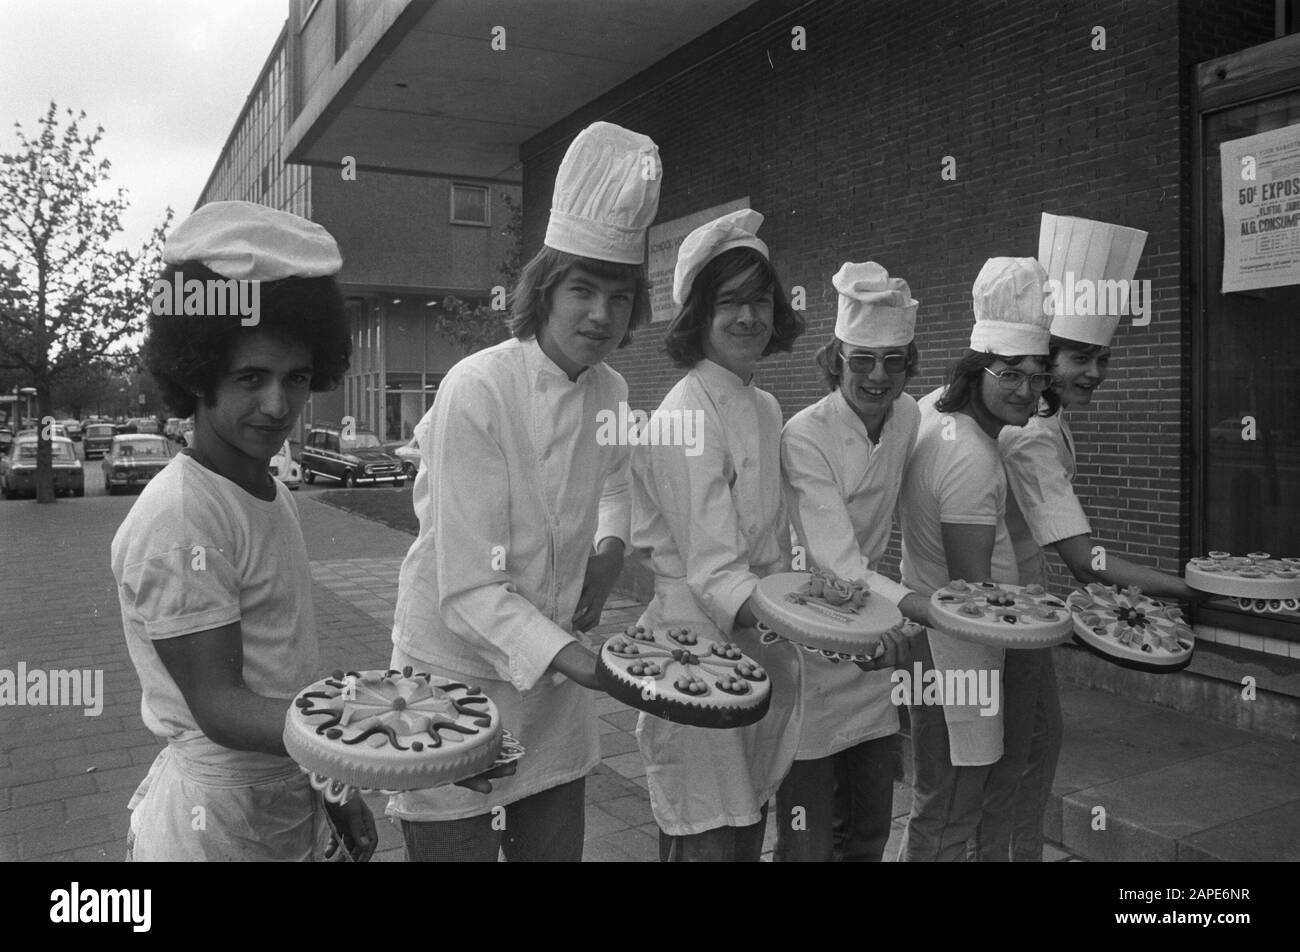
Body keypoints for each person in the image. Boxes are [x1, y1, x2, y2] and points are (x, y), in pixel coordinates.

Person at [386, 121, 661, 862]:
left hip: (551, 677)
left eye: (621, 294)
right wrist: (595, 668)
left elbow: (613, 486)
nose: (602, 314)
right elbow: (471, 589)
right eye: (583, 289)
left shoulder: (611, 388)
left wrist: (608, 549)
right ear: (544, 289)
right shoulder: (478, 388)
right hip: (453, 673)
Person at [112, 201, 374, 860]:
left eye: (297, 378)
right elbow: (221, 705)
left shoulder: (270, 491)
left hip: (287, 804)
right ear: (196, 374)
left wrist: (335, 783)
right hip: (215, 828)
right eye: (250, 377)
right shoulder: (182, 514)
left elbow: (284, 675)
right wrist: (366, 732)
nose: (278, 405)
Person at [981, 214, 1201, 862]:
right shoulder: (1031, 434)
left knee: (1030, 756)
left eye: (1103, 356)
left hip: (1021, 609)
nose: (1096, 372)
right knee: (1006, 768)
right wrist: (1189, 589)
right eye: (1081, 356)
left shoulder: (1044, 419)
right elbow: (1084, 559)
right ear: (1045, 357)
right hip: (996, 612)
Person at [631, 209, 806, 861]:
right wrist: (810, 624)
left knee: (746, 824)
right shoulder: (684, 413)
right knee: (708, 832)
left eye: (760, 300)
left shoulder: (762, 406)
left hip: (756, 648)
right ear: (697, 315)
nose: (748, 318)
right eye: (729, 302)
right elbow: (713, 571)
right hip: (695, 654)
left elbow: (773, 539)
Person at [897, 256, 1055, 862]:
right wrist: (1046, 615)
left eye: (1037, 376)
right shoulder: (972, 458)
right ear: (978, 366)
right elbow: (974, 595)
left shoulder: (940, 409)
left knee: (945, 797)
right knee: (951, 805)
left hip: (943, 642)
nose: (1027, 390)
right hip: (957, 650)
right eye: (1010, 374)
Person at [776, 261, 932, 862]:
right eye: (862, 359)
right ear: (837, 358)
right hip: (812, 631)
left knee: (869, 829)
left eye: (894, 361)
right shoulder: (805, 435)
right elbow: (838, 563)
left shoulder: (911, 417)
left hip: (874, 637)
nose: (877, 376)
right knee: (810, 839)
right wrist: (923, 611)